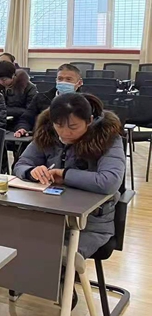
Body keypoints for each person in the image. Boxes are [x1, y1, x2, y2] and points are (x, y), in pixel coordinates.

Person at [14, 93, 124, 257]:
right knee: (16, 246)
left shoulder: (108, 138)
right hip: (48, 216)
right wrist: (31, 172)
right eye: (59, 125)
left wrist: (65, 175)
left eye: (73, 127)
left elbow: (110, 182)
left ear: (89, 120)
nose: (65, 133)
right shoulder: (46, 133)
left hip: (90, 224)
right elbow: (21, 165)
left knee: (55, 257)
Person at [14, 64, 83, 137]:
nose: (63, 82)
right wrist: (22, 128)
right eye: (60, 79)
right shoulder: (40, 98)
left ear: (79, 83)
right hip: (43, 138)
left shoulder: (85, 102)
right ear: (56, 80)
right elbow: (26, 118)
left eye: (68, 79)